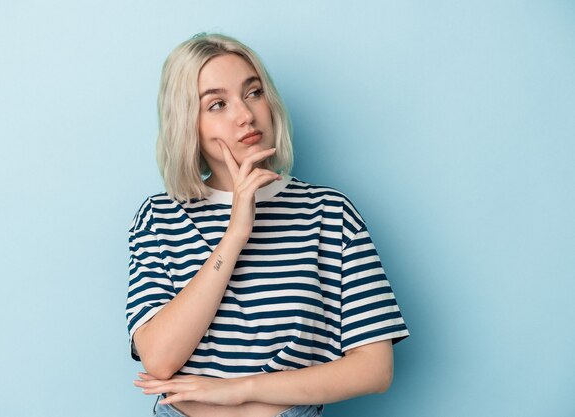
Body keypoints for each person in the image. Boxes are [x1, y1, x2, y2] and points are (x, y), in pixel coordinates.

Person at [126, 32, 410, 417]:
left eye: (253, 92)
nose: (245, 114)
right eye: (217, 104)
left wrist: (239, 389)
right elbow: (158, 359)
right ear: (186, 123)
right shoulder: (160, 217)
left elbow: (374, 369)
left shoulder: (329, 213)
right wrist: (235, 234)